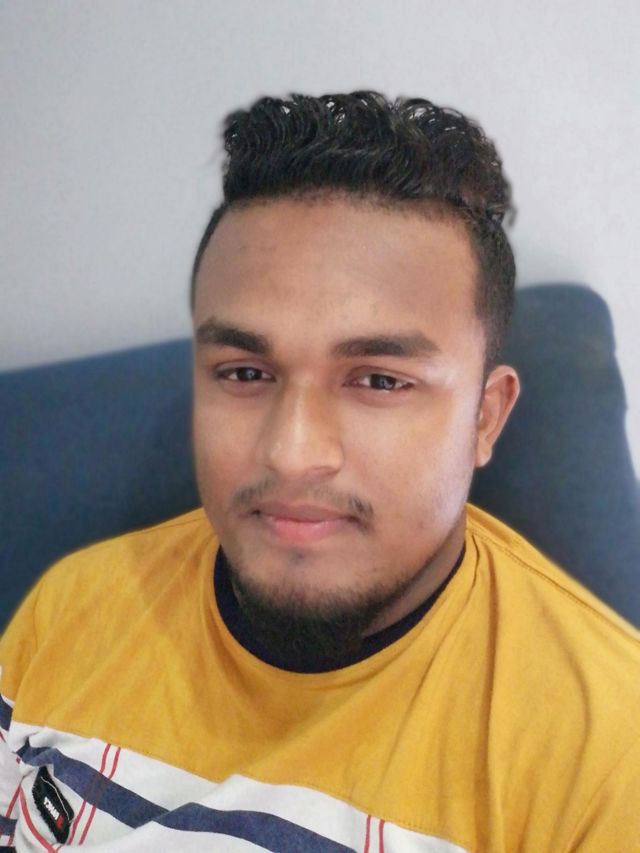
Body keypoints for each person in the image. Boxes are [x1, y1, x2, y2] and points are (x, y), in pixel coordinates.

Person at [1, 92, 639, 852]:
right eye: (244, 372)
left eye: (379, 380)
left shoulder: (609, 756)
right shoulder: (70, 608)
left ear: (485, 418)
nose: (291, 451)